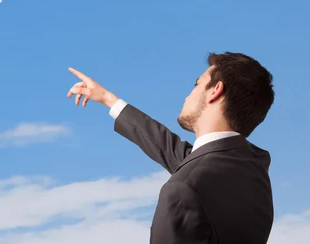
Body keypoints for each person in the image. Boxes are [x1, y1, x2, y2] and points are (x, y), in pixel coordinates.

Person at [67, 52, 275, 244]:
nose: (188, 96)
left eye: (196, 84)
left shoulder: (183, 189)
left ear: (215, 91)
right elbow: (173, 150)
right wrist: (107, 99)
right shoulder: (253, 167)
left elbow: (189, 173)